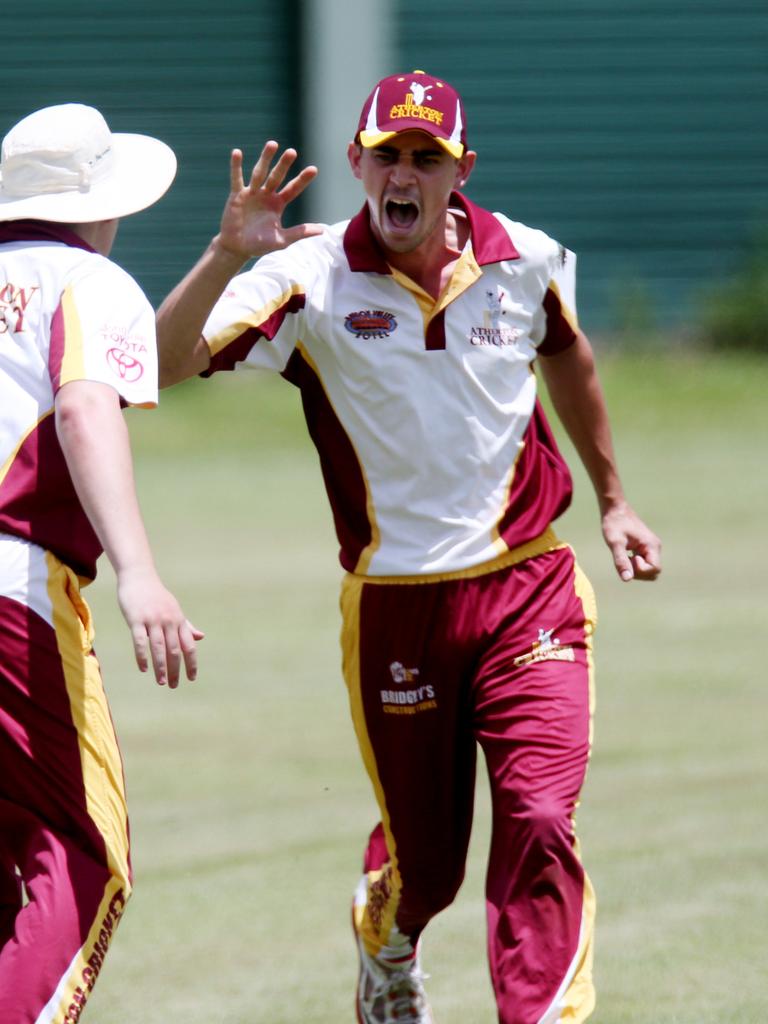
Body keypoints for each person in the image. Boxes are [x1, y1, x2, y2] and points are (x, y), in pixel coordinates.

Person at [157, 70, 661, 1024]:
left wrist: (614, 499)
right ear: (355, 162)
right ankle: (386, 937)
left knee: (543, 823)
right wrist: (226, 256)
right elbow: (162, 360)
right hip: (397, 604)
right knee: (425, 866)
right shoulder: (303, 277)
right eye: (387, 153)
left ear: (459, 170)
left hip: (531, 589)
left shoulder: (529, 259)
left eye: (426, 157)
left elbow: (568, 352)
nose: (404, 172)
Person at [0, 102, 202, 1023]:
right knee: (86, 858)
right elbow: (85, 409)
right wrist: (138, 571)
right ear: (99, 203)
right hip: (16, 592)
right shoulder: (90, 280)